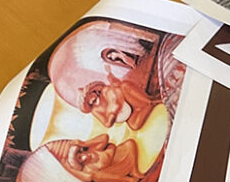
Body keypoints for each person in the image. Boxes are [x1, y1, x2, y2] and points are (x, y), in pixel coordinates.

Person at [48, 20, 185, 130]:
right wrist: (112, 113)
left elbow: (116, 96)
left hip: (149, 95)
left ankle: (150, 102)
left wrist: (113, 110)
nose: (94, 100)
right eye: (90, 102)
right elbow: (108, 122)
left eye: (93, 95)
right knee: (135, 124)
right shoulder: (98, 108)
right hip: (140, 112)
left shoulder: (109, 90)